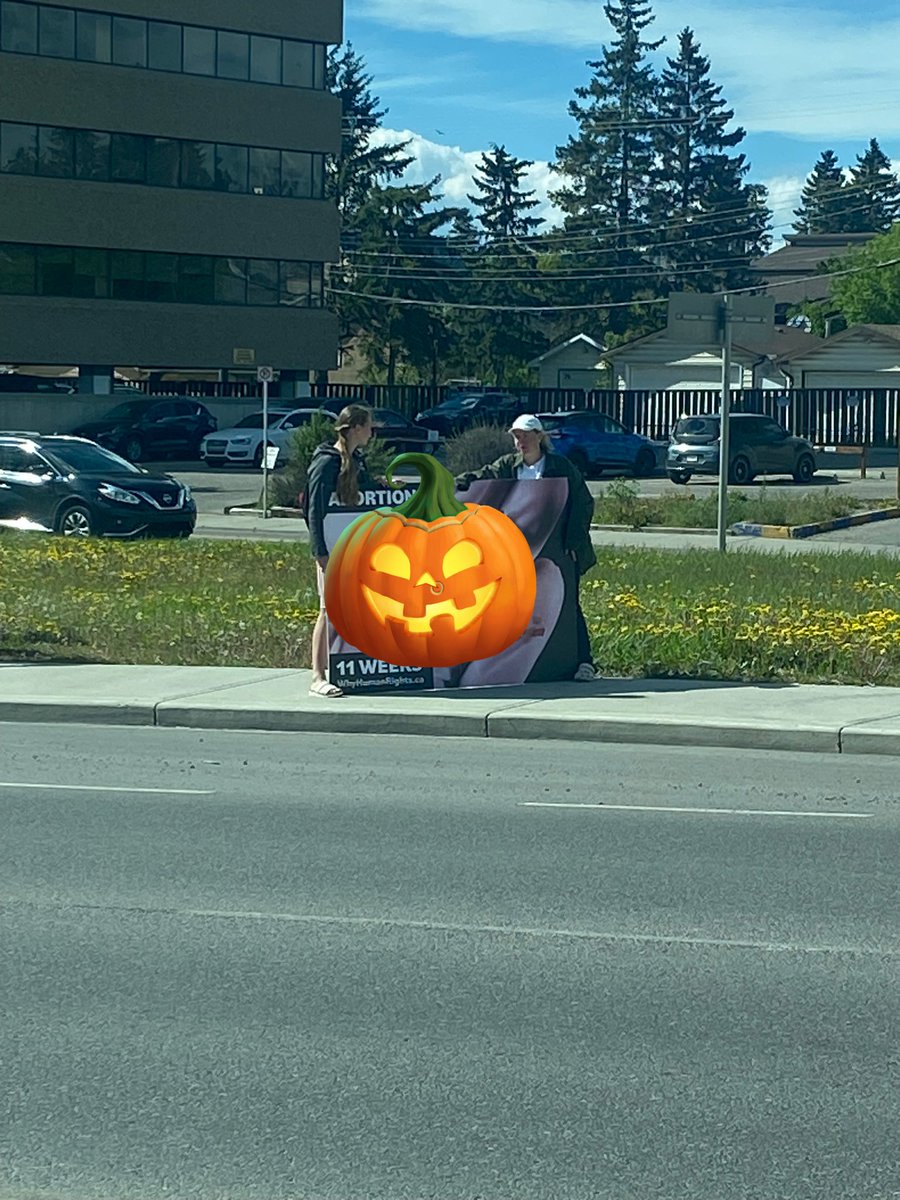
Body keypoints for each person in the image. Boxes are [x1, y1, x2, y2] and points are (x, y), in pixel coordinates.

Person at [456, 413, 597, 681]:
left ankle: (584, 661)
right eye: (516, 436)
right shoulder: (509, 465)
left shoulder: (560, 466)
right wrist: (460, 481)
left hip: (560, 549)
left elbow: (583, 503)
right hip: (518, 551)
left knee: (569, 605)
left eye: (525, 435)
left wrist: (573, 541)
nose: (520, 440)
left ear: (539, 437)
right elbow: (484, 475)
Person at [304, 404, 377, 697]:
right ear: (357, 428)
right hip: (331, 549)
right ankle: (317, 675)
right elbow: (314, 508)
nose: (372, 432)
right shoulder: (326, 462)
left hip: (355, 548)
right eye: (369, 426)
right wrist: (320, 551)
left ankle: (350, 667)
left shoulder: (358, 460)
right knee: (327, 609)